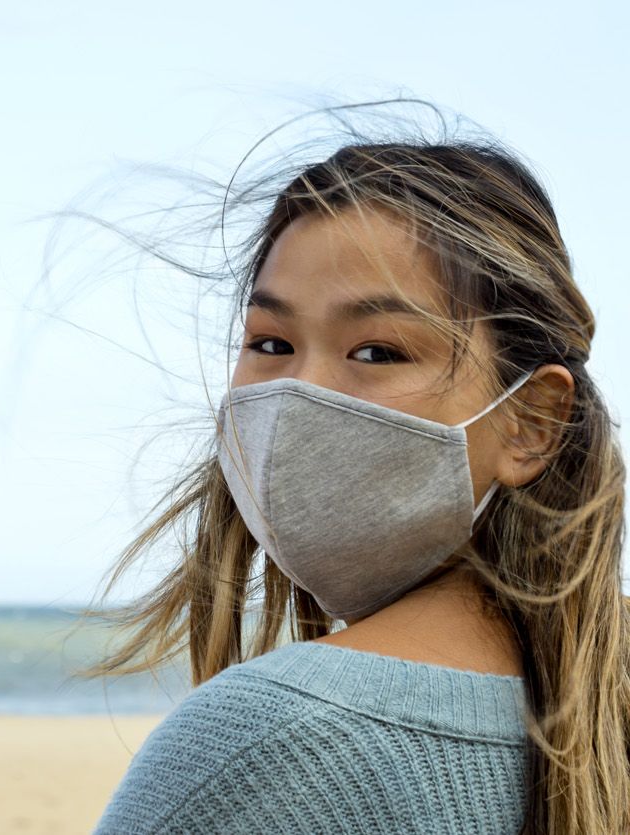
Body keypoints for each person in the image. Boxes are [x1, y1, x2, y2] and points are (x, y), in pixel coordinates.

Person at [90, 137, 627, 833]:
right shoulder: (603, 715)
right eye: (271, 343)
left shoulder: (266, 744)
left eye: (377, 350)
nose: (297, 396)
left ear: (529, 422)